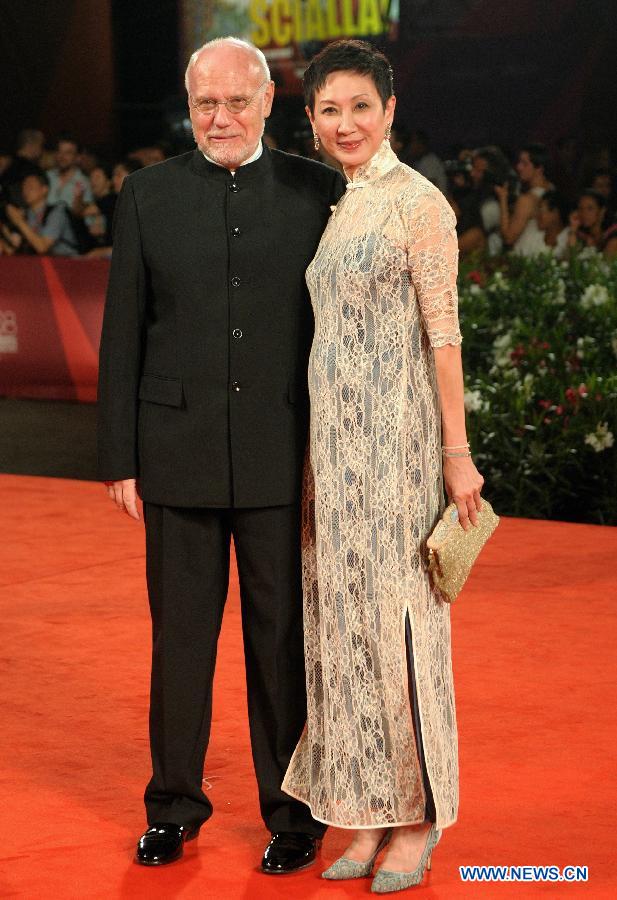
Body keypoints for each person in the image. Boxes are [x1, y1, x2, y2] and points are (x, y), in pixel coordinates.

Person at [97, 37, 344, 874]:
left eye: (237, 101)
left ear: (270, 102)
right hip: (173, 452)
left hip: (284, 453)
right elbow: (122, 329)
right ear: (188, 104)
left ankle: (294, 813)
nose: (220, 118)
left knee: (281, 644)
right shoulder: (147, 194)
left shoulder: (320, 192)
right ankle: (173, 805)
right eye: (206, 103)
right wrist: (118, 456)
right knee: (181, 642)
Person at [282, 40, 484, 893]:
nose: (345, 123)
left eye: (360, 105)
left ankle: (419, 822)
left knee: (402, 633)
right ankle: (365, 812)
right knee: (344, 634)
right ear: (312, 120)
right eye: (330, 109)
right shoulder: (337, 205)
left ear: (390, 109)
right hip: (332, 460)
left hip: (398, 457)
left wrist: (457, 455)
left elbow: (444, 337)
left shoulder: (418, 203)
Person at [495, 143, 553, 255]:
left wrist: (503, 199)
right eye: (519, 162)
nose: (519, 167)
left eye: (524, 163)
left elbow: (508, 238)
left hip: (524, 256)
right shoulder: (552, 190)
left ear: (539, 168)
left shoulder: (527, 200)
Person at [3, 172, 78, 256]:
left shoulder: (57, 211)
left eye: (30, 187)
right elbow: (12, 249)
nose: (26, 190)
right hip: (38, 262)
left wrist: (19, 221)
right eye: (24, 187)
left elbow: (42, 247)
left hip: (66, 262)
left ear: (44, 190)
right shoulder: (26, 214)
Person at [566, 189, 617, 259]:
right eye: (580, 208)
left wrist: (592, 248)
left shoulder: (613, 238)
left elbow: (604, 267)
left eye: (590, 209)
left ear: (602, 211)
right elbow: (570, 261)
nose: (584, 213)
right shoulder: (581, 235)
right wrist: (573, 229)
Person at [47, 134, 93, 208]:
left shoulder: (84, 183)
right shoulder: (47, 176)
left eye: (68, 153)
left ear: (77, 157)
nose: (62, 156)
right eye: (59, 151)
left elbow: (88, 216)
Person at [535, 190, 570, 258]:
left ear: (555, 213)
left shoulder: (570, 237)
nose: (537, 215)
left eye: (541, 210)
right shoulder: (534, 234)